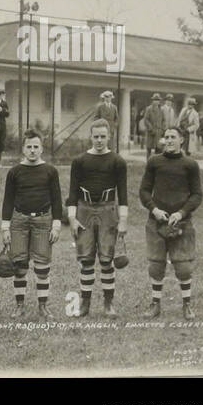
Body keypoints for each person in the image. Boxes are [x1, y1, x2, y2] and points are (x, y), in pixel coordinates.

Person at [67, 119, 128, 318]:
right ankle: (85, 303)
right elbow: (72, 192)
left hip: (107, 210)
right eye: (96, 136)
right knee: (86, 259)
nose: (99, 140)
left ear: (109, 136)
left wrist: (124, 220)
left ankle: (108, 303)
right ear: (90, 137)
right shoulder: (80, 161)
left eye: (103, 136)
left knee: (107, 259)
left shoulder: (117, 161)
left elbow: (123, 193)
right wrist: (72, 217)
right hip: (84, 210)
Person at [140, 127, 203, 320]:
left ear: (181, 140)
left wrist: (181, 212)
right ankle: (155, 304)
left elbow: (197, 195)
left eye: (172, 137)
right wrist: (155, 209)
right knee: (156, 266)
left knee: (183, 267)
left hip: (181, 223)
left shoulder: (190, 164)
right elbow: (144, 191)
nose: (168, 140)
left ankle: (187, 305)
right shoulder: (154, 162)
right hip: (156, 223)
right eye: (166, 137)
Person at [1, 131, 63, 318]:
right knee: (19, 265)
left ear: (42, 149)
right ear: (23, 149)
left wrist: (57, 224)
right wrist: (5, 227)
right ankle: (19, 305)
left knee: (42, 265)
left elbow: (56, 199)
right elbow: (8, 200)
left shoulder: (50, 171)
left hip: (43, 221)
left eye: (36, 147)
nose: (33, 150)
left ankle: (42, 306)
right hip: (19, 220)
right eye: (29, 146)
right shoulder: (15, 172)